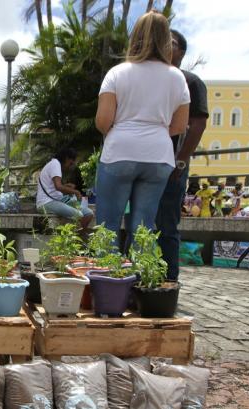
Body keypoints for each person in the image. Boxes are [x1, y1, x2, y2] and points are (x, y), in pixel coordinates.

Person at [94, 10, 190, 251]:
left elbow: (103, 121)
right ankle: (141, 284)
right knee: (144, 227)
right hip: (158, 155)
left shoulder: (118, 73)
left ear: (135, 36)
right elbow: (179, 125)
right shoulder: (177, 78)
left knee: (108, 226)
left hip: (120, 152)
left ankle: (109, 284)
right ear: (166, 40)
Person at [155, 29, 209, 281]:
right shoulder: (151, 79)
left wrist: (182, 159)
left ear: (181, 52)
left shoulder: (191, 82)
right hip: (147, 160)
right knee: (139, 223)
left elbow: (197, 124)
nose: (166, 45)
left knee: (167, 224)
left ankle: (168, 281)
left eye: (172, 42)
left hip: (173, 163)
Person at [36, 147, 94, 228]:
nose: (70, 166)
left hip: (57, 200)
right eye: (70, 163)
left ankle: (79, 237)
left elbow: (53, 187)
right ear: (66, 158)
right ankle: (75, 238)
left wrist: (67, 187)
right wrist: (75, 192)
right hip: (46, 203)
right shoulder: (55, 164)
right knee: (79, 215)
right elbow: (58, 186)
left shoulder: (55, 165)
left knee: (88, 214)